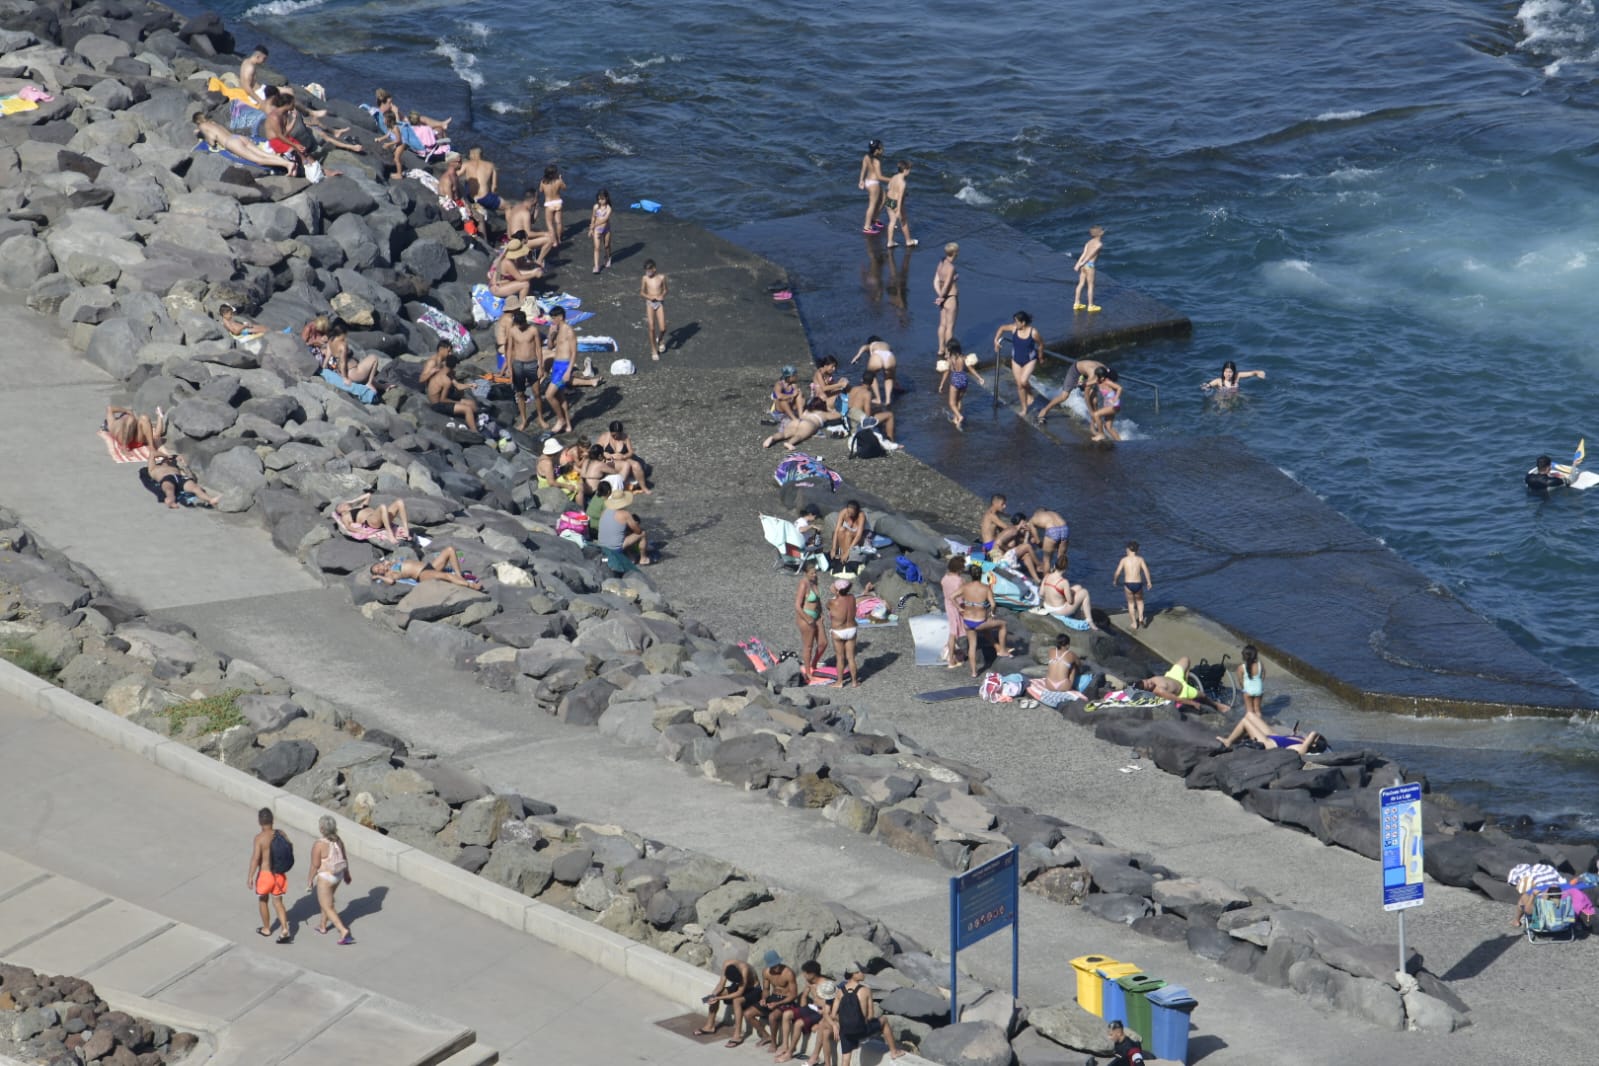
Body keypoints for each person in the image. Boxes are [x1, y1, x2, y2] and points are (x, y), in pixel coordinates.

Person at [957, 563, 1013, 676]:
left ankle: (973, 672)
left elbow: (951, 597)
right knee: (1003, 624)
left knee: (972, 645)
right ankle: (1002, 650)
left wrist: (959, 607)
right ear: (981, 575)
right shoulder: (985, 588)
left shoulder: (965, 587)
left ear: (971, 575)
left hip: (967, 621)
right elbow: (993, 604)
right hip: (980, 622)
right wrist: (992, 613)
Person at [697, 958, 768, 1046]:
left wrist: (719, 998)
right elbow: (721, 984)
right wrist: (713, 995)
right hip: (739, 986)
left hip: (753, 990)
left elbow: (739, 993)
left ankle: (737, 1035)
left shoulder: (744, 969)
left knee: (736, 1001)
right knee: (717, 994)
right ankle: (710, 1026)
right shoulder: (726, 964)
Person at [307, 814, 354, 944]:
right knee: (326, 901)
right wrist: (347, 873)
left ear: (321, 829)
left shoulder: (319, 845)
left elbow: (315, 865)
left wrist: (310, 880)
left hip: (326, 878)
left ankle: (343, 931)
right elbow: (344, 857)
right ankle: (322, 925)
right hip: (338, 875)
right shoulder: (338, 840)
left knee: (327, 906)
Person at [248, 807, 292, 943]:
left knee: (263, 900)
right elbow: (289, 849)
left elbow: (255, 858)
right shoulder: (281, 834)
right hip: (279, 874)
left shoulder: (259, 838)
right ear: (272, 820)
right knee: (278, 902)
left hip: (265, 875)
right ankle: (285, 930)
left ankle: (266, 929)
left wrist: (250, 876)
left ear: (260, 822)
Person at [195, 117, 296, 174]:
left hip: (231, 143)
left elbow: (212, 141)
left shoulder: (202, 126)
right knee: (264, 155)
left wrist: (206, 139)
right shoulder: (213, 122)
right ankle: (288, 163)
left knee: (259, 160)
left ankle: (288, 165)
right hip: (238, 137)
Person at [1137, 657, 1233, 714]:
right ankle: (1217, 705)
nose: (1150, 683)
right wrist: (1193, 703)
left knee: (1185, 659)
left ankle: (1187, 679)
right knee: (1203, 696)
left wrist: (1184, 678)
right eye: (1149, 685)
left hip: (1173, 676)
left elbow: (1185, 660)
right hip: (1182, 690)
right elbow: (1177, 699)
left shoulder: (1150, 680)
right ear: (1148, 690)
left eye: (1147, 681)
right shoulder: (1160, 691)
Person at [774, 961, 828, 1064]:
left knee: (799, 1023)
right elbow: (803, 1001)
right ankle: (785, 1045)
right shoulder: (811, 982)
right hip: (812, 1008)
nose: (803, 975)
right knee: (787, 1014)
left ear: (812, 974)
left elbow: (830, 1006)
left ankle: (789, 1053)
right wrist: (804, 1002)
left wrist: (817, 1022)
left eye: (805, 973)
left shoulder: (825, 985)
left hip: (822, 1012)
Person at [501, 308, 545, 431]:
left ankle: (541, 418)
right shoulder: (512, 331)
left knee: (537, 392)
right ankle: (524, 420)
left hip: (531, 364)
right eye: (518, 324)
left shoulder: (533, 330)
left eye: (521, 324)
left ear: (525, 321)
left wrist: (540, 367)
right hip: (518, 364)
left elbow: (538, 349)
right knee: (520, 393)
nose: (520, 327)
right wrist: (509, 368)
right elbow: (509, 350)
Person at [994, 311, 1043, 417]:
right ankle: (1024, 408)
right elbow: (1002, 328)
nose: (1015, 324)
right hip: (1016, 360)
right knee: (1020, 385)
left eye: (1016, 322)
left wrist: (1040, 356)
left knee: (1023, 381)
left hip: (1030, 360)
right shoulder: (1014, 329)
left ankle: (1029, 394)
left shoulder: (1033, 332)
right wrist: (996, 341)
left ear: (1023, 322)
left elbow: (1041, 344)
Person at [1035, 358, 1109, 425]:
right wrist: (1091, 412)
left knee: (1094, 399)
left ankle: (1097, 420)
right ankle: (1044, 411)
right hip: (1076, 371)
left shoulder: (1106, 370)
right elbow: (1086, 396)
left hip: (1086, 372)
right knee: (1064, 396)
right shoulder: (1092, 375)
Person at [420, 343, 479, 429]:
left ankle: (475, 423)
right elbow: (443, 400)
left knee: (472, 403)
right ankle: (475, 432)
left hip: (442, 400)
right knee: (468, 409)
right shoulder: (446, 380)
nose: (450, 352)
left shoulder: (444, 372)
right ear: (453, 367)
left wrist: (470, 385)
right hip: (438, 404)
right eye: (449, 351)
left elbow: (458, 386)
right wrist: (458, 403)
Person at [369, 547, 483, 589]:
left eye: (378, 566)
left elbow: (400, 559)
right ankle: (470, 585)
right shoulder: (389, 575)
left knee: (450, 550)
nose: (379, 569)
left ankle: (459, 577)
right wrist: (379, 576)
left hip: (429, 566)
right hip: (422, 575)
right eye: (378, 571)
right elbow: (391, 581)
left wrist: (390, 562)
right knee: (447, 575)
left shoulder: (391, 564)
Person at [142, 450, 220, 509]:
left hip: (179, 478)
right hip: (166, 478)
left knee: (195, 488)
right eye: (169, 460)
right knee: (169, 490)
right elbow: (152, 453)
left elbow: (191, 478)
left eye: (172, 460)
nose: (170, 461)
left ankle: (210, 500)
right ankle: (171, 501)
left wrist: (185, 465)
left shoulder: (176, 468)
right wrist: (166, 455)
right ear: (164, 460)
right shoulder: (153, 468)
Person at [938, 340, 983, 431]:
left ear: (950, 350)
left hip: (955, 380)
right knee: (958, 400)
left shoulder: (950, 359)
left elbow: (946, 372)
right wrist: (979, 378)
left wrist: (941, 384)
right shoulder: (963, 358)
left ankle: (959, 416)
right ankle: (956, 419)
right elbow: (971, 369)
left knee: (951, 403)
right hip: (964, 379)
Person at [758, 951, 800, 1051]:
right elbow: (766, 990)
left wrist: (777, 1004)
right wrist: (763, 999)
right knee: (748, 1013)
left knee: (772, 1017)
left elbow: (794, 995)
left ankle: (773, 1043)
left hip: (787, 1000)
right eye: (773, 966)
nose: (776, 967)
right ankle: (766, 1036)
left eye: (777, 964)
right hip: (773, 997)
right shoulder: (766, 972)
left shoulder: (788, 973)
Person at [762, 398, 842, 450]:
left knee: (784, 433)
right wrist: (829, 409)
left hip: (798, 420)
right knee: (799, 436)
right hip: (809, 424)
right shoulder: (824, 414)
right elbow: (839, 415)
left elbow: (800, 408)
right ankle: (789, 443)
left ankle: (772, 438)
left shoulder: (806, 411)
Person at [1035, 563, 1097, 628]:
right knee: (1084, 592)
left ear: (1054, 566)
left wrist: (1055, 595)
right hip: (1058, 611)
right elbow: (1070, 601)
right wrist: (1072, 596)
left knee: (1078, 587)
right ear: (1065, 569)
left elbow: (1041, 594)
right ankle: (1089, 620)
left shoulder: (1047, 576)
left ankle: (1080, 615)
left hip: (1047, 606)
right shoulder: (1064, 582)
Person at [597, 421, 652, 493]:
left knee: (636, 465)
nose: (616, 437)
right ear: (610, 432)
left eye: (618, 435)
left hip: (623, 459)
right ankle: (618, 488)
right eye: (613, 435)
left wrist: (623, 456)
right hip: (610, 460)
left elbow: (631, 452)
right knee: (626, 465)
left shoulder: (625, 437)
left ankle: (643, 487)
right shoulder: (604, 437)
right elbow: (596, 450)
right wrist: (608, 455)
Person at [334, 493, 411, 543]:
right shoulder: (346, 516)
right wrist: (358, 530)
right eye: (340, 506)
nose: (343, 504)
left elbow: (368, 495)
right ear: (340, 512)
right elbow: (347, 526)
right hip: (371, 522)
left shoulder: (361, 506)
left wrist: (352, 501)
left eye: (343, 503)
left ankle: (406, 530)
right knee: (382, 506)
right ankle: (390, 533)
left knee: (399, 502)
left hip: (383, 519)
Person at [599, 490, 650, 565]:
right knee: (642, 533)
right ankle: (643, 559)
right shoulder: (625, 514)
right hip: (615, 549)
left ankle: (629, 556)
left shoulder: (604, 511)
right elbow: (638, 531)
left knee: (622, 534)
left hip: (601, 547)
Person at [794, 558, 825, 680]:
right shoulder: (804, 584)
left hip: (816, 615)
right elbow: (797, 605)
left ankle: (813, 664)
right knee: (808, 646)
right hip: (806, 617)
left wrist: (821, 612)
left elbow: (817, 599)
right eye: (812, 573)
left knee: (823, 643)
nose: (815, 574)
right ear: (806, 573)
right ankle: (808, 673)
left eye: (815, 572)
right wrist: (807, 618)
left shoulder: (814, 581)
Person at [1028, 634, 1080, 703]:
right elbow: (1079, 664)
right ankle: (1073, 684)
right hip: (1064, 686)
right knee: (1073, 667)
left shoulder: (1051, 651)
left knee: (1055, 664)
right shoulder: (1071, 654)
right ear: (1068, 645)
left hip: (1049, 685)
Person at [325, 324, 381, 388]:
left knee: (366, 369)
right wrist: (345, 378)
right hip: (353, 373)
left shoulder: (330, 341)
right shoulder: (342, 345)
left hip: (344, 372)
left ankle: (383, 386)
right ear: (342, 334)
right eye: (345, 335)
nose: (345, 337)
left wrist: (324, 367)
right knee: (374, 358)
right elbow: (343, 362)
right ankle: (369, 383)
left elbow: (327, 356)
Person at [1112, 541, 1152, 629]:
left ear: (1128, 549)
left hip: (1128, 584)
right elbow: (1146, 571)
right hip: (1138, 583)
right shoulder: (1140, 559)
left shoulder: (1124, 560)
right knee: (1140, 601)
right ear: (1137, 550)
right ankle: (1141, 617)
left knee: (1130, 603)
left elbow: (1118, 572)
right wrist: (1149, 582)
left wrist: (1115, 580)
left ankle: (1134, 623)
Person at [828, 578, 860, 686]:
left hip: (838, 631)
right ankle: (855, 682)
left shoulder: (832, 602)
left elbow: (828, 607)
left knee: (840, 657)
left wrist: (834, 592)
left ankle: (840, 682)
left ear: (837, 590)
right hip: (851, 629)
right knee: (851, 657)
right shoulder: (852, 598)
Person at [849, 336, 898, 407]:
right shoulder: (886, 344)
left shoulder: (872, 344)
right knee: (888, 378)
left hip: (877, 356)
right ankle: (888, 400)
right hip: (890, 356)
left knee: (871, 375)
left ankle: (878, 399)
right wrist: (895, 381)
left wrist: (858, 355)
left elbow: (864, 347)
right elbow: (893, 372)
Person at [940, 555, 969, 668]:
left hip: (948, 605)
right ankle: (951, 658)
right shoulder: (960, 581)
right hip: (957, 606)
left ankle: (950, 652)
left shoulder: (945, 578)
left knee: (953, 630)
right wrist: (960, 607)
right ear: (959, 569)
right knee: (953, 633)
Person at [883, 160, 918, 248]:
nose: (910, 172)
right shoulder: (903, 183)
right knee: (904, 222)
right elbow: (900, 197)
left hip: (888, 200)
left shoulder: (894, 177)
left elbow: (889, 187)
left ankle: (890, 242)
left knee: (892, 222)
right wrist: (898, 210)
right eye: (909, 170)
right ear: (905, 170)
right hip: (896, 203)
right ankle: (908, 241)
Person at [933, 243, 960, 353]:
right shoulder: (951, 267)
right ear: (955, 253)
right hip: (950, 298)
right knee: (950, 327)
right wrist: (941, 297)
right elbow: (948, 284)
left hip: (943, 298)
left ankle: (941, 349)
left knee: (942, 325)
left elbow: (936, 281)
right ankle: (949, 352)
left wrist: (939, 295)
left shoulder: (941, 262)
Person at [640, 259, 669, 359]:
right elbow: (642, 292)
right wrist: (649, 297)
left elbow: (665, 290)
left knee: (663, 328)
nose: (647, 273)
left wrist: (662, 295)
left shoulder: (662, 277)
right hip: (650, 303)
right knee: (651, 328)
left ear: (654, 269)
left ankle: (660, 339)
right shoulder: (645, 279)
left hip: (659, 303)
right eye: (646, 271)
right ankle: (653, 349)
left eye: (649, 270)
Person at [1073, 225, 1105, 313]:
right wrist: (1083, 263)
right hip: (1089, 265)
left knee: (1081, 283)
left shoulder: (1089, 242)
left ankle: (1076, 303)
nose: (1103, 231)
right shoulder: (1099, 244)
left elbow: (1084, 254)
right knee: (1090, 285)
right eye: (1102, 230)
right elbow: (1091, 254)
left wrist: (1078, 264)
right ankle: (1090, 305)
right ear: (1100, 233)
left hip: (1083, 265)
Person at [857, 140, 886, 233]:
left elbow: (863, 169)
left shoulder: (866, 156)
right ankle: (867, 227)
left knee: (883, 198)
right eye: (881, 147)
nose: (883, 148)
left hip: (868, 181)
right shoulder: (876, 161)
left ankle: (874, 219)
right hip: (874, 183)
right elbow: (879, 176)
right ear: (877, 150)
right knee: (872, 205)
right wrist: (893, 180)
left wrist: (861, 181)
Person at [1029, 507, 1070, 572]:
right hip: (1065, 528)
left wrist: (1039, 543)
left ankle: (1046, 580)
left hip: (1052, 529)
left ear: (1036, 512)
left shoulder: (1035, 517)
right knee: (1061, 557)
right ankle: (1058, 578)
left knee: (1046, 560)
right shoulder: (1053, 513)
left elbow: (1037, 541)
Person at [1088, 366, 1123, 442]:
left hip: (1114, 406)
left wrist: (1116, 397)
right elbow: (1087, 383)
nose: (1096, 378)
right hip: (1109, 406)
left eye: (1098, 376)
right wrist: (1080, 383)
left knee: (1096, 414)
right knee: (1108, 427)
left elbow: (1119, 388)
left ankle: (1101, 434)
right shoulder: (1099, 381)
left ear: (1103, 377)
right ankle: (1120, 442)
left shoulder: (1107, 382)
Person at [460, 145, 500, 212]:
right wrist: (493, 197)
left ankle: (473, 204)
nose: (469, 156)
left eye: (470, 154)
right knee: (507, 206)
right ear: (481, 154)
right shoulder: (491, 165)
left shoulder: (466, 164)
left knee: (466, 182)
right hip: (484, 198)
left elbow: (456, 174)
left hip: (470, 198)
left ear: (473, 154)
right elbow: (494, 187)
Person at [830, 500, 868, 565]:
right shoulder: (843, 513)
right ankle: (842, 554)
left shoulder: (861, 516)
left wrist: (848, 552)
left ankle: (846, 556)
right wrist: (833, 548)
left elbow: (858, 536)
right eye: (848, 512)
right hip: (844, 537)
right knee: (841, 529)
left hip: (857, 539)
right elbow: (836, 531)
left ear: (856, 512)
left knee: (848, 534)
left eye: (852, 513)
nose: (849, 514)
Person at [539, 164, 567, 243]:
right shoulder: (558, 181)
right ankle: (559, 239)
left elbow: (540, 190)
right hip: (558, 202)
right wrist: (561, 179)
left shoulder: (543, 182)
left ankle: (554, 241)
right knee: (558, 222)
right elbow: (565, 188)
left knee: (550, 223)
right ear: (554, 173)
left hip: (549, 204)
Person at [1237, 644, 1265, 718]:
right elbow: (1263, 675)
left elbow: (1240, 680)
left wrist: (1244, 688)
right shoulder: (1260, 664)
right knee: (1257, 710)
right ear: (1255, 655)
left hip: (1248, 691)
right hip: (1259, 689)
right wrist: (1260, 683)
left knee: (1249, 711)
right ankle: (1259, 724)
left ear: (1244, 656)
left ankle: (1250, 726)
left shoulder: (1241, 667)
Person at [590, 188, 613, 273]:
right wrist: (591, 229)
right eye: (599, 199)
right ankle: (596, 266)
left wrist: (593, 225)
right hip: (597, 230)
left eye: (602, 199)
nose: (600, 201)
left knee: (606, 245)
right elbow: (593, 217)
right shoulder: (596, 207)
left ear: (606, 198)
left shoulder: (608, 208)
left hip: (606, 229)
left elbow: (605, 219)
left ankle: (608, 256)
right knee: (596, 248)